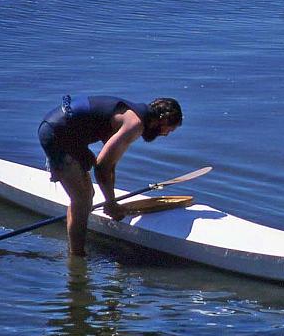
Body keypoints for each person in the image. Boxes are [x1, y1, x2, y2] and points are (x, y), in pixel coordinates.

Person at [38, 95, 182, 255]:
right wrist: (111, 203)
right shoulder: (134, 125)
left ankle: (75, 243)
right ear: (163, 119)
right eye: (169, 130)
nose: (166, 134)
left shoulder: (131, 113)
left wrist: (111, 201)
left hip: (67, 130)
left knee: (87, 192)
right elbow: (102, 167)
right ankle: (77, 256)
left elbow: (108, 164)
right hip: (57, 132)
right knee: (82, 200)